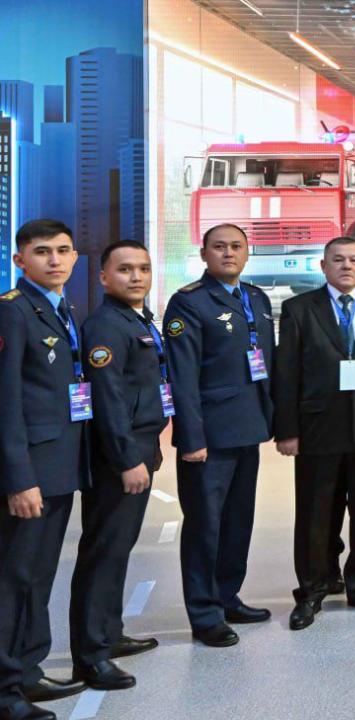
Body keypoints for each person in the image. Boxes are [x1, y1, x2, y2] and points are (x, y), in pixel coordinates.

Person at [274, 237, 355, 631]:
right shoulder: (299, 309)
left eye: (354, 260)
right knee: (315, 513)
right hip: (317, 428)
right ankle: (312, 589)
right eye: (338, 260)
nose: (346, 266)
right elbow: (287, 372)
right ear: (324, 266)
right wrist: (287, 430)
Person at [164, 224, 275, 648]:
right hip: (209, 435)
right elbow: (182, 376)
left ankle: (228, 596)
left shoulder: (257, 298)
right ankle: (205, 614)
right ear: (204, 254)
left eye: (236, 246)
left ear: (247, 253)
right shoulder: (189, 301)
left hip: (248, 427)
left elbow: (268, 363)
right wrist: (191, 437)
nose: (228, 253)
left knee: (237, 521)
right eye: (219, 247)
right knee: (204, 526)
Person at [0, 219, 91, 720]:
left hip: (58, 466)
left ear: (75, 257)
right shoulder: (12, 312)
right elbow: (6, 403)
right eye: (42, 252)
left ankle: (28, 670)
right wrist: (19, 479)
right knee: (13, 580)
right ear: (20, 260)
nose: (54, 260)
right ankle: (5, 689)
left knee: (38, 577)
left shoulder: (60, 308)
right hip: (31, 473)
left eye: (62, 250)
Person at [70, 240, 168, 690]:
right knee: (103, 552)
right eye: (125, 269)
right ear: (103, 277)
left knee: (118, 548)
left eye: (143, 268)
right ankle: (91, 657)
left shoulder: (136, 319)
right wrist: (128, 459)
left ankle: (109, 633)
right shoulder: (107, 325)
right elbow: (107, 399)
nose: (136, 277)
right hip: (119, 457)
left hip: (139, 445)